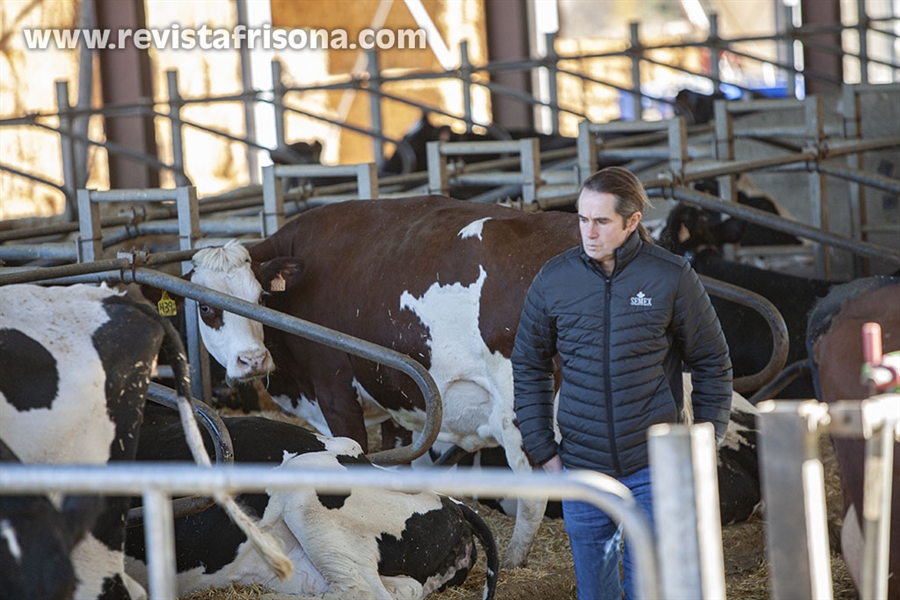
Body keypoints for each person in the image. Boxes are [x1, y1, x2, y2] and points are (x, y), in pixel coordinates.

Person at [512, 166, 733, 600]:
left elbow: (712, 360)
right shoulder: (555, 279)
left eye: (601, 221)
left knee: (649, 588)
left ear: (632, 222)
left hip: (653, 464)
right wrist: (542, 448)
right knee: (595, 592)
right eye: (581, 219)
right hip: (582, 465)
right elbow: (529, 362)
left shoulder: (670, 276)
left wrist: (707, 442)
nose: (588, 232)